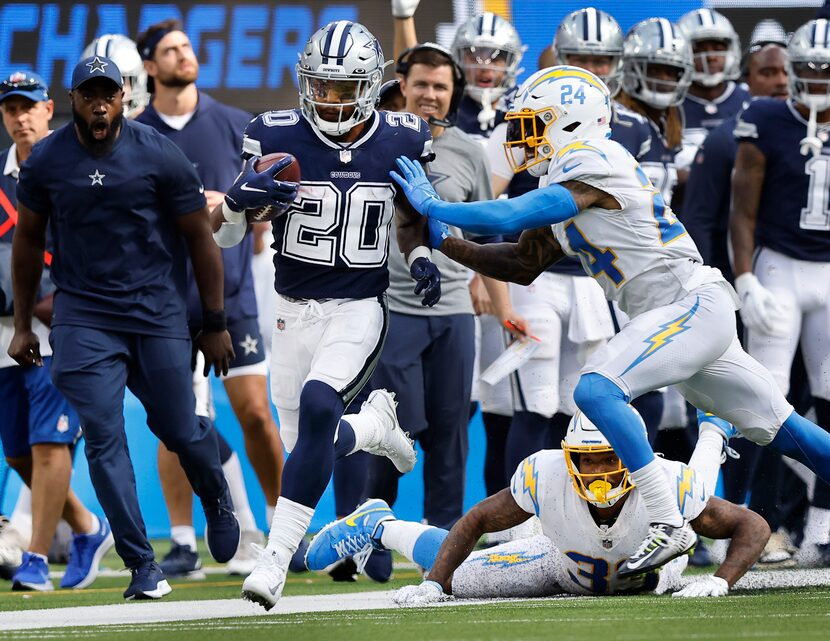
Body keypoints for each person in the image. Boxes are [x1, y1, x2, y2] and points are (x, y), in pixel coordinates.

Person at [388, 63, 830, 577]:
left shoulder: (593, 156)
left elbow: (510, 216)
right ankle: (669, 519)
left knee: (595, 390)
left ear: (570, 122)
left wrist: (436, 204)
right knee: (790, 434)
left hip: (686, 305)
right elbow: (519, 264)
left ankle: (666, 521)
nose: (523, 140)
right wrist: (444, 241)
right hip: (681, 320)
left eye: (534, 125)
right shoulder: (570, 179)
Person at [209, 20, 441, 610]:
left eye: (343, 89)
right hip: (289, 311)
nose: (329, 99)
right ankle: (373, 428)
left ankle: (274, 562)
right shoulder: (272, 133)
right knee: (306, 444)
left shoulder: (403, 136)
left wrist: (417, 255)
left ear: (368, 87)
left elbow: (414, 215)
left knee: (317, 409)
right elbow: (231, 236)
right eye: (321, 86)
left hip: (359, 307)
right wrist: (239, 202)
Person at [8, 56, 240, 600]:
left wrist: (214, 322)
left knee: (181, 430)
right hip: (84, 317)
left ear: (124, 95)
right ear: (73, 99)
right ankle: (142, 565)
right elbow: (26, 242)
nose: (99, 104)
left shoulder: (160, 154)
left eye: (108, 93)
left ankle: (216, 495)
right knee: (104, 438)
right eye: (89, 95)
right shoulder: (46, 161)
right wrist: (23, 325)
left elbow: (200, 240)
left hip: (157, 315)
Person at [306, 410, 767, 600]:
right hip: (559, 561)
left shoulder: (662, 480)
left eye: (610, 458)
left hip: (657, 565)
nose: (599, 472)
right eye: (587, 461)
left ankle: (712, 433)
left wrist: (721, 581)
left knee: (689, 504)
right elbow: (478, 518)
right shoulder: (547, 472)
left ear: (634, 458)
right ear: (568, 457)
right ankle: (379, 523)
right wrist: (433, 585)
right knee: (457, 579)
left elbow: (753, 526)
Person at [133, 19, 284, 577]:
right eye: (170, 50)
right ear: (150, 66)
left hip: (233, 297)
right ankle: (181, 541)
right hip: (164, 303)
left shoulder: (233, 124)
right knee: (174, 423)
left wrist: (244, 209)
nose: (183, 55)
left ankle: (278, 526)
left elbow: (266, 204)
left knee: (254, 415)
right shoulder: (136, 132)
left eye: (186, 47)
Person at [361, 43, 493, 566]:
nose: (431, 96)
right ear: (402, 86)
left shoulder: (470, 150)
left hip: (456, 307)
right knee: (392, 427)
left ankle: (444, 545)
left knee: (450, 431)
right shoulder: (374, 140)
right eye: (422, 85)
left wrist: (485, 283)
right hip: (393, 308)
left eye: (441, 87)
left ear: (453, 92)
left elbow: (483, 225)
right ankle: (375, 529)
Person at [0, 70, 113, 591]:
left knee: (50, 447)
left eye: (28, 106)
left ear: (49, 108)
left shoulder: (77, 168)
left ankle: (38, 559)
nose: (20, 116)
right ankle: (88, 528)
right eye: (9, 109)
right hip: (5, 332)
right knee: (20, 452)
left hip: (64, 327)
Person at [730, 18, 830, 567]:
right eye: (808, 68)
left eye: (825, 69)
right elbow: (741, 210)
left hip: (829, 272)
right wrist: (744, 276)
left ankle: (821, 527)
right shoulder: (766, 116)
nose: (816, 79)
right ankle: (754, 523)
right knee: (763, 403)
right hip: (779, 268)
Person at [676, 9, 750, 182]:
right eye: (700, 49)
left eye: (718, 49)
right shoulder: (670, 103)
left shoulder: (747, 99)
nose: (711, 58)